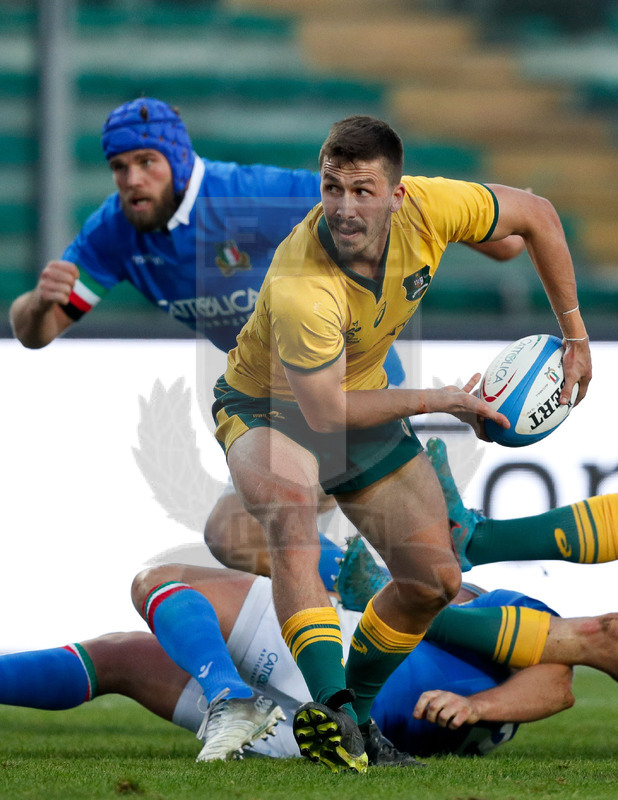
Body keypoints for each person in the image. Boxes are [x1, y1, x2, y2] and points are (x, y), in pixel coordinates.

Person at [204, 115, 592, 771]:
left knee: (435, 579)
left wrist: (575, 336)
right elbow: (323, 413)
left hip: (360, 398)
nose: (345, 207)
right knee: (292, 514)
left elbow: (537, 216)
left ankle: (355, 720)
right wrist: (445, 400)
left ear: (397, 193)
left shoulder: (432, 207)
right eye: (333, 188)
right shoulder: (307, 283)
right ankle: (328, 706)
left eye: (362, 190)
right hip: (267, 407)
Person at [8, 96, 527, 577]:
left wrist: (489, 233)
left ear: (178, 160)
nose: (132, 179)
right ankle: (390, 570)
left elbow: (376, 201)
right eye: (119, 167)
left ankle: (403, 579)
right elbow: (37, 333)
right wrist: (38, 303)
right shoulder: (114, 232)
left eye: (147, 162)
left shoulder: (246, 195)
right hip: (278, 404)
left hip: (347, 388)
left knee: (244, 533)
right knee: (242, 537)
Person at [1, 563, 616, 764]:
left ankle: (226, 696)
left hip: (335, 659)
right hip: (330, 734)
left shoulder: (520, 618)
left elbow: (556, 680)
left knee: (157, 582)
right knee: (121, 658)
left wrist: (476, 704)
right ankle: (231, 700)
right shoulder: (506, 651)